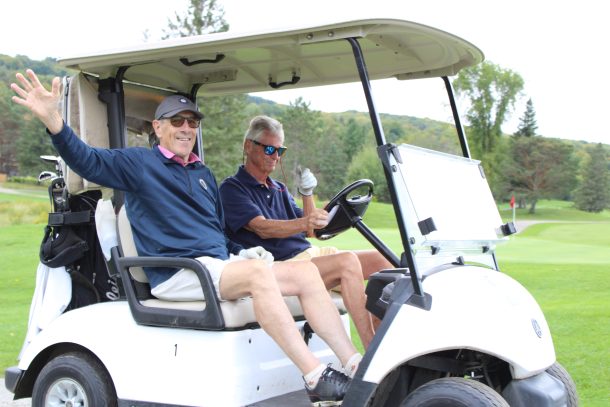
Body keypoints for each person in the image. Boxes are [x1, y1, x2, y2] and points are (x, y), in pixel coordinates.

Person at [10, 70, 359, 405]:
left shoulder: (203, 173)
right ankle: (316, 377)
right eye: (177, 121)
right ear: (158, 127)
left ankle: (355, 366)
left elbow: (219, 235)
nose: (186, 128)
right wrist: (54, 121)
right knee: (258, 276)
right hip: (178, 272)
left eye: (193, 122)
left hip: (215, 265)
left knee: (306, 273)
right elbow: (87, 161)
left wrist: (246, 251)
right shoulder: (139, 164)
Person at [219, 115, 393, 349]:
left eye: (281, 151)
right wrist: (305, 222)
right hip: (284, 265)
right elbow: (262, 228)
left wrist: (307, 193)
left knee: (384, 261)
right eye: (270, 149)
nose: (276, 156)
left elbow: (310, 229)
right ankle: (371, 351)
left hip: (309, 254)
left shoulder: (278, 188)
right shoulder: (233, 189)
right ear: (248, 146)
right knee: (347, 262)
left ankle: (385, 341)